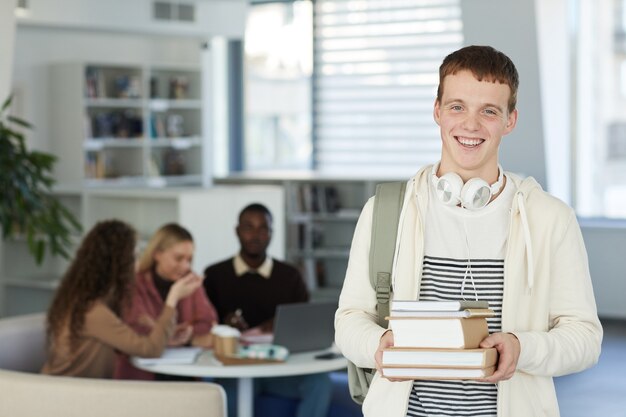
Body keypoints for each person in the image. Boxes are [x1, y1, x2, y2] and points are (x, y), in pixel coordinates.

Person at [335, 45, 603, 417]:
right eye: (457, 106)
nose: (471, 125)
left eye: (489, 111)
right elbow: (349, 319)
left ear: (510, 121)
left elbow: (585, 339)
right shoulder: (384, 211)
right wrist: (379, 342)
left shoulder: (551, 219)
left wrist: (521, 348)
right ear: (437, 111)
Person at [204, 203, 332, 417]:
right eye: (248, 227)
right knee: (228, 396)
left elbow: (305, 325)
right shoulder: (215, 275)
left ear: (272, 233)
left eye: (263, 228)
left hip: (282, 366)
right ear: (237, 231)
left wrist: (280, 325)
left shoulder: (290, 276)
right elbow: (204, 325)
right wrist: (225, 326)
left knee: (320, 384)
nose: (256, 235)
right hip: (235, 368)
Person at [42, 220, 203, 378]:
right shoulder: (93, 311)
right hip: (64, 394)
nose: (138, 264)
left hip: (78, 389)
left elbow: (132, 340)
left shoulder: (90, 301)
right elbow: (150, 350)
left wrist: (166, 338)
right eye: (134, 256)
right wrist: (172, 299)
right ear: (118, 264)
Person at [115, 223, 218, 380]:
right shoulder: (135, 284)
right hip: (144, 373)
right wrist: (168, 335)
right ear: (157, 254)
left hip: (186, 369)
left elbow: (209, 322)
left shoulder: (190, 281)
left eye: (189, 259)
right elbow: (135, 332)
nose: (186, 266)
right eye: (178, 258)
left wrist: (189, 333)